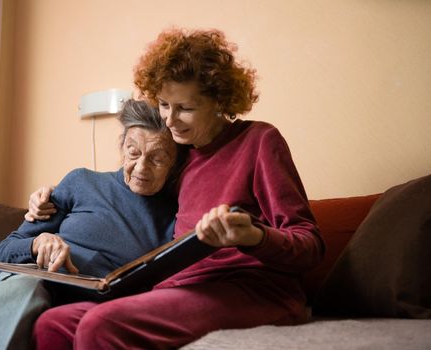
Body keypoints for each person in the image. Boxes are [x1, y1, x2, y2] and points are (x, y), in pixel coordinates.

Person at [31, 27, 325, 349]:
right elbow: (127, 192)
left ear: (218, 100)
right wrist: (49, 201)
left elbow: (309, 244)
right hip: (181, 287)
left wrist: (253, 237)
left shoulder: (259, 142)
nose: (170, 121)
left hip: (254, 289)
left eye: (185, 108)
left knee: (101, 325)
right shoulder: (180, 156)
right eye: (163, 105)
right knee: (54, 323)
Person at [0, 99, 182, 350]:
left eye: (158, 159)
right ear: (122, 148)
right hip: (37, 281)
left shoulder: (176, 215)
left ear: (174, 165)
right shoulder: (81, 181)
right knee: (24, 286)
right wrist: (37, 242)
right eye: (133, 152)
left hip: (98, 299)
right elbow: (4, 251)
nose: (142, 167)